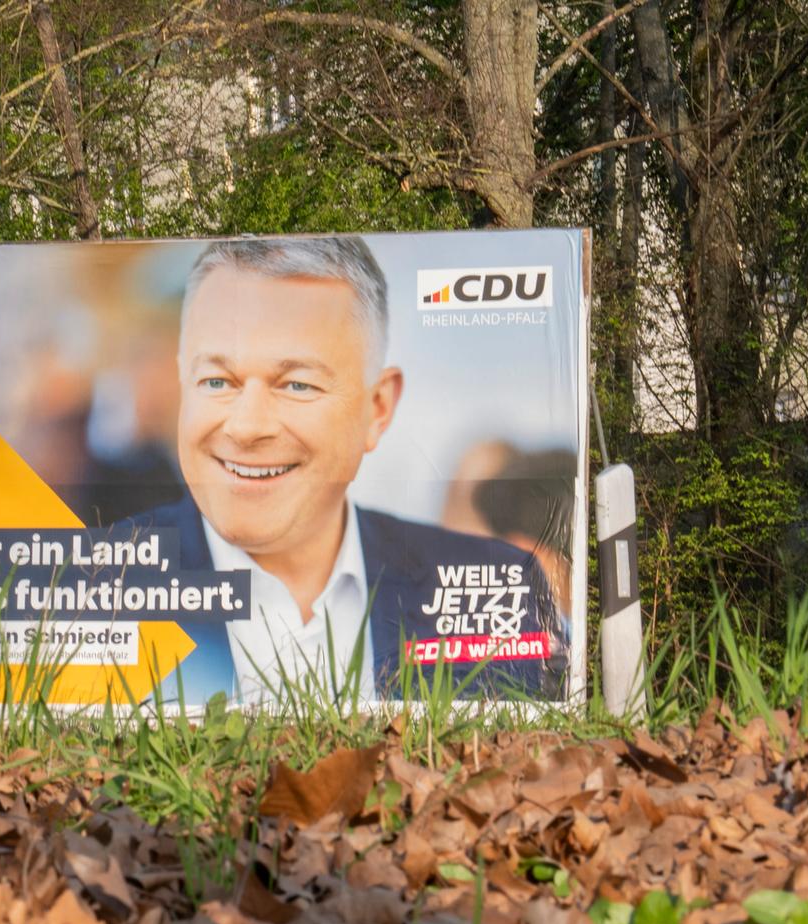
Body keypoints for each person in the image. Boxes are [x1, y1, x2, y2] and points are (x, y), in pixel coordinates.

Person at [129, 237, 563, 701]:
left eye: (297, 384)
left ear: (376, 409)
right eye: (216, 380)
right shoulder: (90, 590)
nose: (246, 426)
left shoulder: (503, 586)